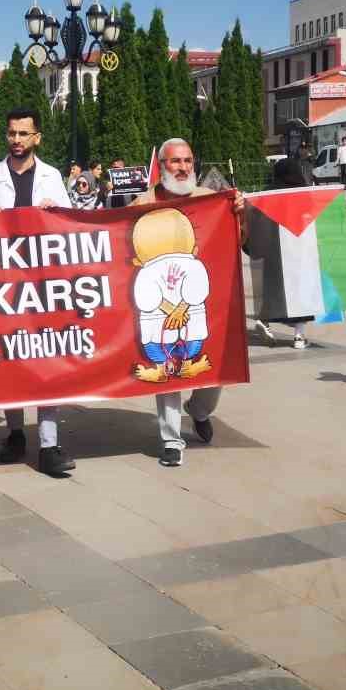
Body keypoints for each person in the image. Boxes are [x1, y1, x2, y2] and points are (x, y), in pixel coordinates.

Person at [130, 137, 245, 467]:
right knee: (168, 369)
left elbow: (240, 241)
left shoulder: (213, 200)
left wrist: (239, 213)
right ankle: (171, 439)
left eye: (188, 161)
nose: (182, 168)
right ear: (162, 166)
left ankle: (199, 410)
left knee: (215, 371)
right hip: (158, 305)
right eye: (174, 162)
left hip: (204, 301)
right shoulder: (143, 202)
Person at [0, 107, 75, 477]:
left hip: (43, 283)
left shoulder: (51, 177)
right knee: (10, 358)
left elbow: (71, 227)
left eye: (23, 134)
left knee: (46, 359)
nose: (16, 140)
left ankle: (49, 444)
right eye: (11, 133)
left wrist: (55, 211)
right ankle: (16, 432)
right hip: (3, 284)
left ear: (37, 138)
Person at [265, 147, 316, 349]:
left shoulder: (270, 194)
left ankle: (266, 322)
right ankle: (299, 336)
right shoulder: (303, 195)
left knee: (274, 290)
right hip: (300, 252)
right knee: (301, 293)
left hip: (275, 251)